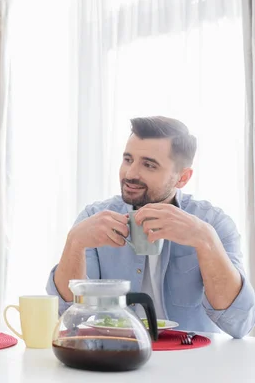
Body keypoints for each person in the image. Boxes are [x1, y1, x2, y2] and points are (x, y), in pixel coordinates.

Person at [47, 116, 255, 338]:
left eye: (149, 165)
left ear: (182, 178)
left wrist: (205, 240)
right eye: (128, 159)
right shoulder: (94, 219)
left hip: (192, 361)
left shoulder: (213, 224)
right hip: (117, 355)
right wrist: (74, 242)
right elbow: (66, 316)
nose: (130, 174)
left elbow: (239, 324)